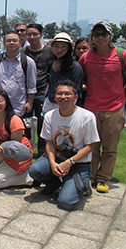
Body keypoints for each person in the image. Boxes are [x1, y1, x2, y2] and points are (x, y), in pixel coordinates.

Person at [79, 21, 126, 193]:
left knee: (110, 147)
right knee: (91, 145)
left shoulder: (122, 55)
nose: (100, 38)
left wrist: (123, 99)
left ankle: (104, 178)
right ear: (92, 38)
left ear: (110, 36)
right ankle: (90, 175)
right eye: (96, 35)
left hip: (114, 109)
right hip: (91, 107)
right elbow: (83, 78)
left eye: (103, 34)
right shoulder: (86, 58)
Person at [28, 80, 100, 210]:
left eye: (67, 94)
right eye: (59, 94)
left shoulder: (87, 117)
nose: (63, 97)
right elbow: (49, 142)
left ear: (76, 97)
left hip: (78, 163)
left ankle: (81, 185)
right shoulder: (50, 115)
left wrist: (70, 162)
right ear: (54, 97)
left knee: (66, 202)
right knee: (34, 170)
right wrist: (52, 162)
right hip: (58, 159)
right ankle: (54, 183)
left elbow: (90, 146)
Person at [0, 32, 37, 117]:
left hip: (19, 106)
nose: (12, 43)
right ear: (4, 43)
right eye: (8, 41)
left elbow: (31, 86)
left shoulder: (28, 62)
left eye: (14, 40)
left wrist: (29, 103)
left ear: (20, 42)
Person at [24, 23, 55, 154]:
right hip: (25, 94)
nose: (32, 37)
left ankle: (42, 150)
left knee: (43, 123)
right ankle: (26, 148)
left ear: (41, 35)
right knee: (25, 123)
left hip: (43, 92)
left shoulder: (49, 52)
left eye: (35, 34)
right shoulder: (22, 52)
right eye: (29, 34)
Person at [42, 33, 83, 114]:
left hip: (67, 104)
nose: (59, 50)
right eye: (56, 46)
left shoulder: (74, 66)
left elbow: (77, 89)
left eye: (63, 47)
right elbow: (49, 85)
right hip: (51, 102)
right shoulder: (51, 64)